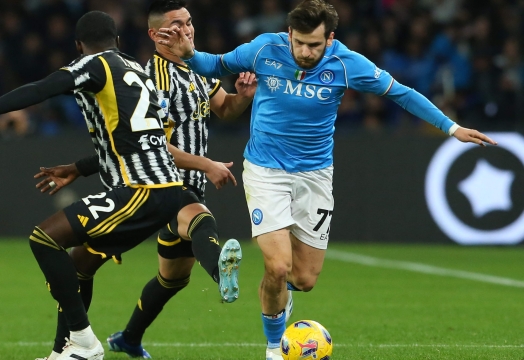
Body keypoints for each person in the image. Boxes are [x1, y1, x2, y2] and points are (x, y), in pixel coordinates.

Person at [155, 1, 498, 359]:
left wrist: (452, 127)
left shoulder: (347, 63)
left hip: (314, 175)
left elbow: (400, 93)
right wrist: (191, 55)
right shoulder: (264, 49)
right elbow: (217, 64)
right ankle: (274, 348)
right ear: (289, 34)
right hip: (265, 170)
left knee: (303, 279)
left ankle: (279, 302)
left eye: (314, 45)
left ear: (330, 38)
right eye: (299, 42)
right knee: (277, 267)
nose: (305, 52)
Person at [0, 11, 183, 360]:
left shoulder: (93, 65)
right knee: (79, 264)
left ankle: (84, 341)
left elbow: (42, 88)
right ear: (118, 40)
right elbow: (133, 140)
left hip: (140, 189)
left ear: (79, 46)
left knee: (45, 237)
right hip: (160, 187)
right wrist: (78, 169)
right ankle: (63, 351)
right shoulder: (138, 73)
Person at [31, 1, 257, 358]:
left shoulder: (200, 69)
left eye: (189, 22)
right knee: (199, 220)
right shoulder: (151, 79)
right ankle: (220, 272)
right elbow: (150, 143)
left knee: (172, 277)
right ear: (155, 34)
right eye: (176, 25)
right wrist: (206, 164)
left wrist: (244, 98)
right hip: (155, 183)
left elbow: (225, 109)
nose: (187, 30)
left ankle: (127, 339)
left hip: (180, 186)